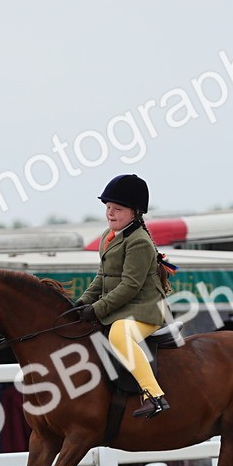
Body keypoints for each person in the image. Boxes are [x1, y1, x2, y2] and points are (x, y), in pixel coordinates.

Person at [71, 174, 171, 419]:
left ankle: (154, 395)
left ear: (135, 212)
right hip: (122, 308)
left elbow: (129, 286)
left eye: (117, 209)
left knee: (118, 334)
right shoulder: (108, 236)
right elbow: (101, 277)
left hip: (145, 309)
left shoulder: (139, 242)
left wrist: (98, 309)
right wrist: (82, 302)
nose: (110, 213)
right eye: (107, 208)